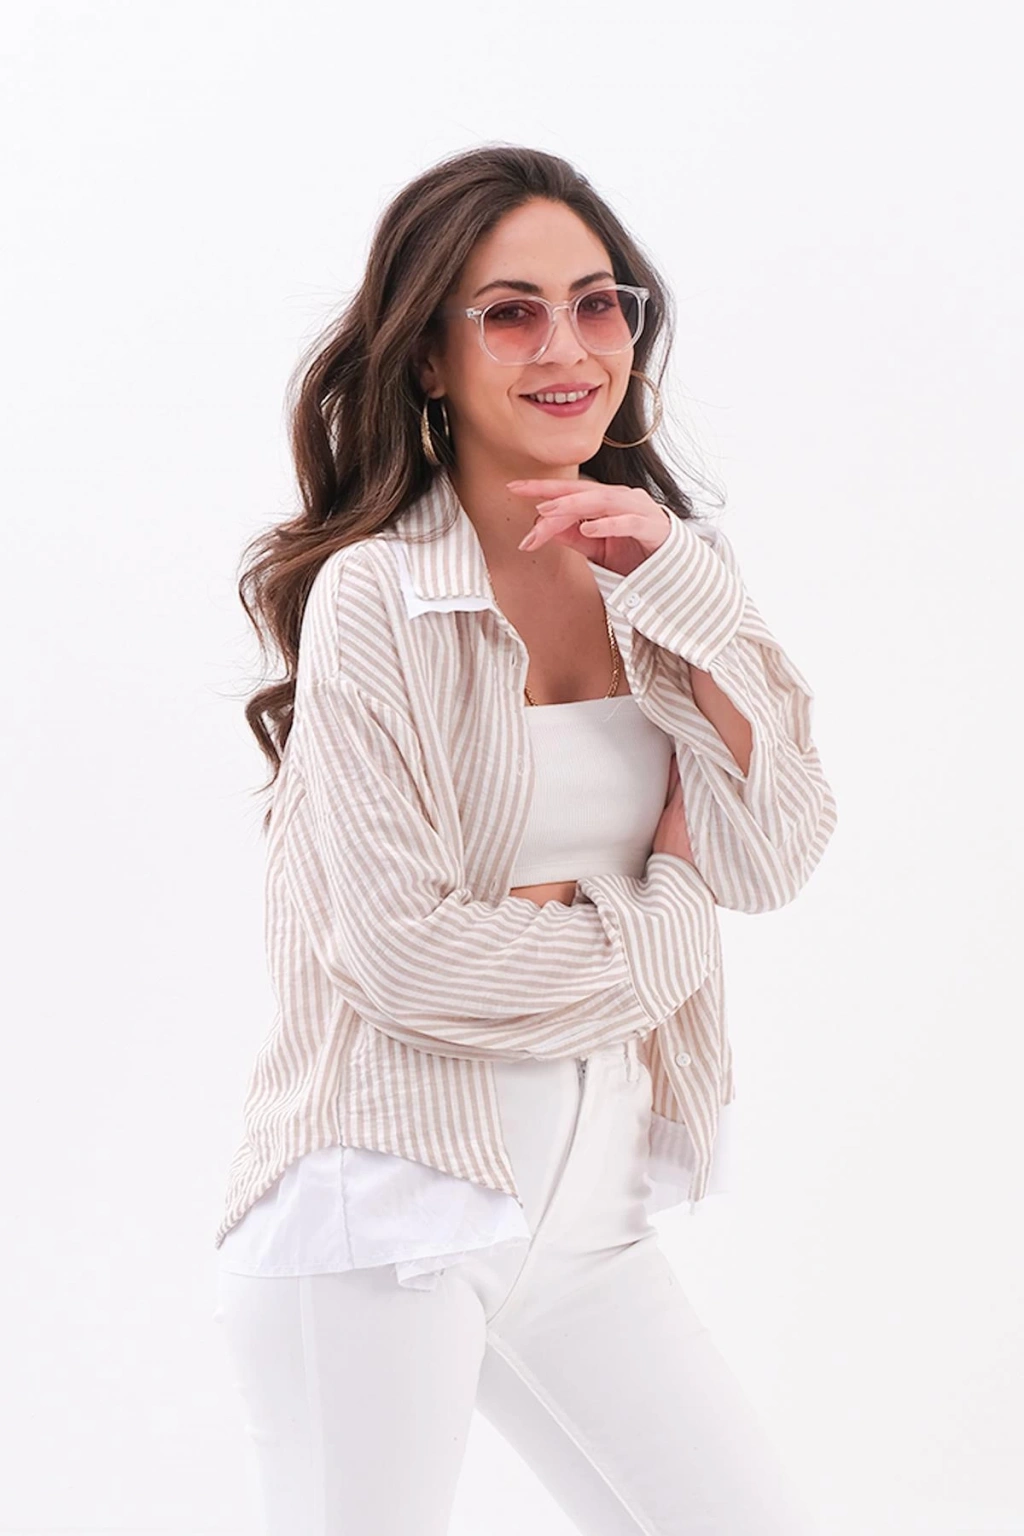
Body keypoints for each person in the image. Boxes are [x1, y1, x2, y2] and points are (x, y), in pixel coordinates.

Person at [212, 143, 837, 1535]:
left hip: (587, 1215)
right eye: (509, 313)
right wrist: (665, 912)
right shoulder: (375, 597)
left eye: (597, 303)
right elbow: (403, 955)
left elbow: (774, 857)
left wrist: (688, 595)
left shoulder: (667, 573)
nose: (568, 347)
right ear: (431, 359)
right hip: (386, 1201)